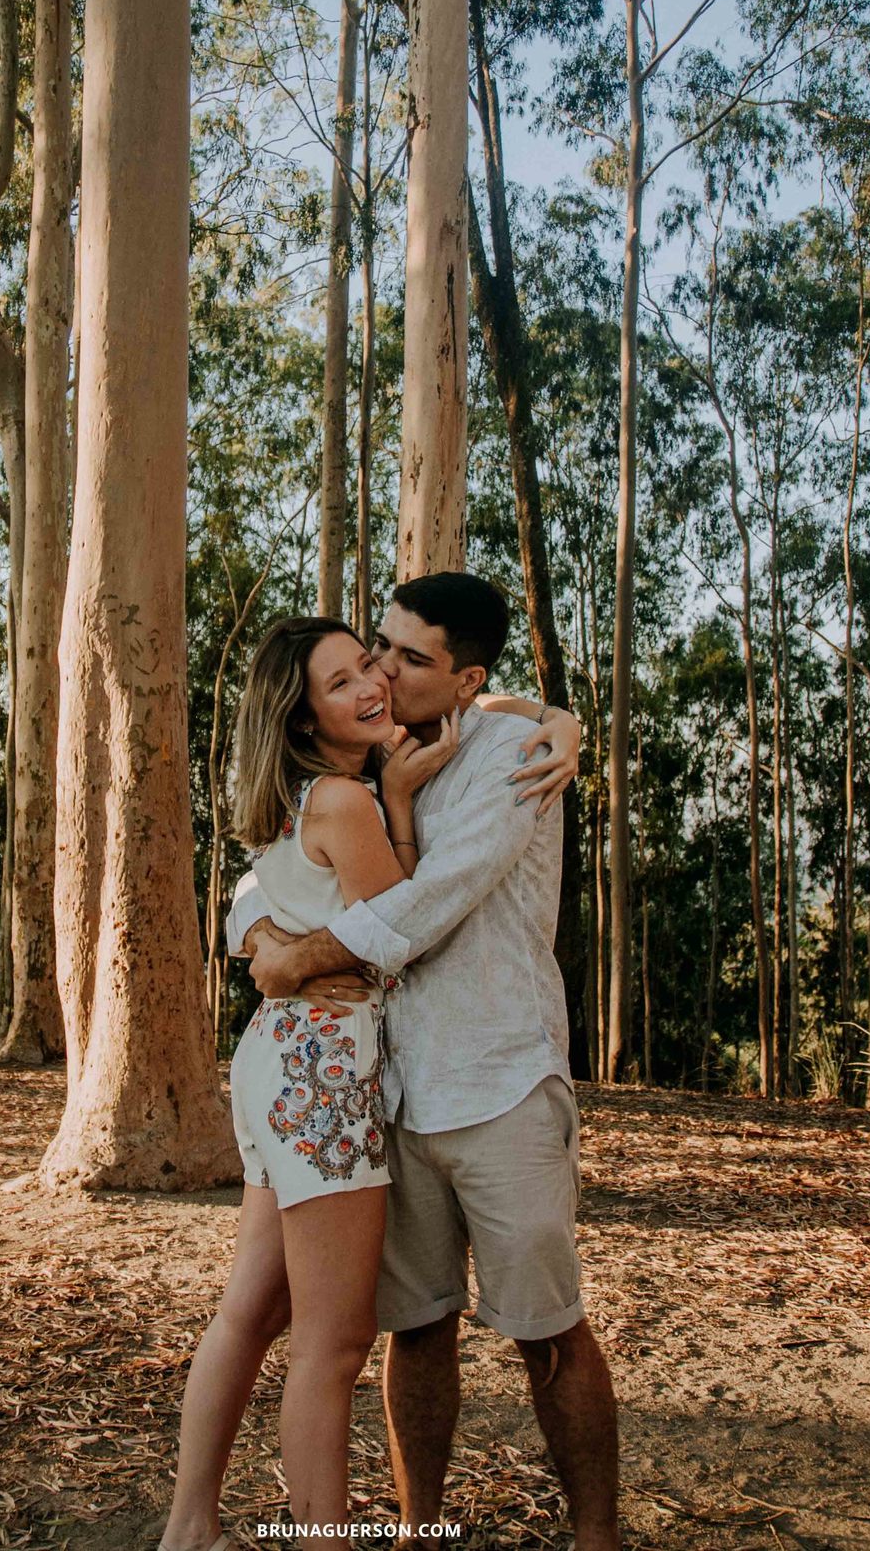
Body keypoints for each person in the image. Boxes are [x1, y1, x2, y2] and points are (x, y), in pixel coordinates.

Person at [161, 609, 577, 1551]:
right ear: (304, 718)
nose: (372, 686)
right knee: (334, 1345)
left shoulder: (299, 798)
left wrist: (560, 718)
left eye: (372, 666)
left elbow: (286, 903)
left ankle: (191, 1526)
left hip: (280, 1058)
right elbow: (399, 930)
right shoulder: (347, 803)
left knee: (252, 1310)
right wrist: (393, 803)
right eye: (343, 681)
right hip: (325, 1070)